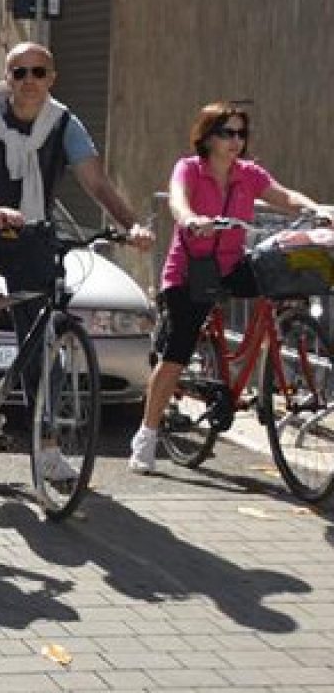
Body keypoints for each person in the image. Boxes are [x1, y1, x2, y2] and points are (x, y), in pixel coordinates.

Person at [0, 42, 153, 480]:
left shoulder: (63, 123)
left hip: (31, 230)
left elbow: (97, 181)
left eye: (38, 72)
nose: (29, 81)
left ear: (51, 79)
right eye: (19, 73)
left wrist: (130, 226)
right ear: (6, 78)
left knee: (42, 347)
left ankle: (49, 449)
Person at [128, 103, 330, 473]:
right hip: (190, 270)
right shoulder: (189, 168)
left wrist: (317, 209)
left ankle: (282, 331)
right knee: (176, 354)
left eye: (241, 134)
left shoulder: (248, 174)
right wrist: (191, 220)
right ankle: (147, 434)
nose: (235, 141)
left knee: (278, 276)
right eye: (227, 133)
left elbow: (284, 197)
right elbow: (177, 200)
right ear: (206, 136)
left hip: (231, 263)